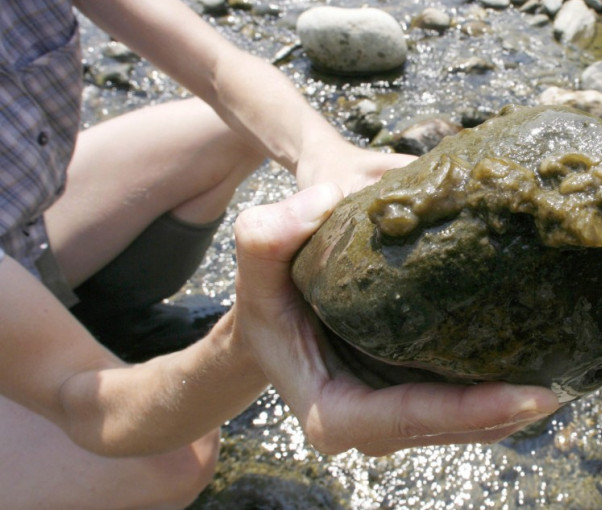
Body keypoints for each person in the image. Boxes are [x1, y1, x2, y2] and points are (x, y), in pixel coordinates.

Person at [0, 1, 561, 508]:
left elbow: (218, 67)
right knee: (177, 462)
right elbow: (83, 403)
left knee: (231, 126)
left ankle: (78, 319)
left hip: (21, 226)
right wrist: (246, 348)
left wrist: (322, 152)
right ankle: (49, 349)